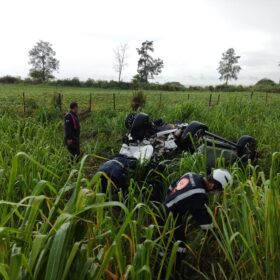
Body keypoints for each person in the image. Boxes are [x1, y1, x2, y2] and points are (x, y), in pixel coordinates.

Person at [163, 169, 233, 254]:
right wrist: (218, 238)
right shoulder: (199, 194)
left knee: (165, 242)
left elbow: (172, 186)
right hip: (168, 217)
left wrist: (170, 202)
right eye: (218, 190)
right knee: (180, 248)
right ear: (213, 185)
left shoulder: (190, 174)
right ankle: (170, 265)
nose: (216, 193)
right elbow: (204, 221)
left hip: (163, 208)